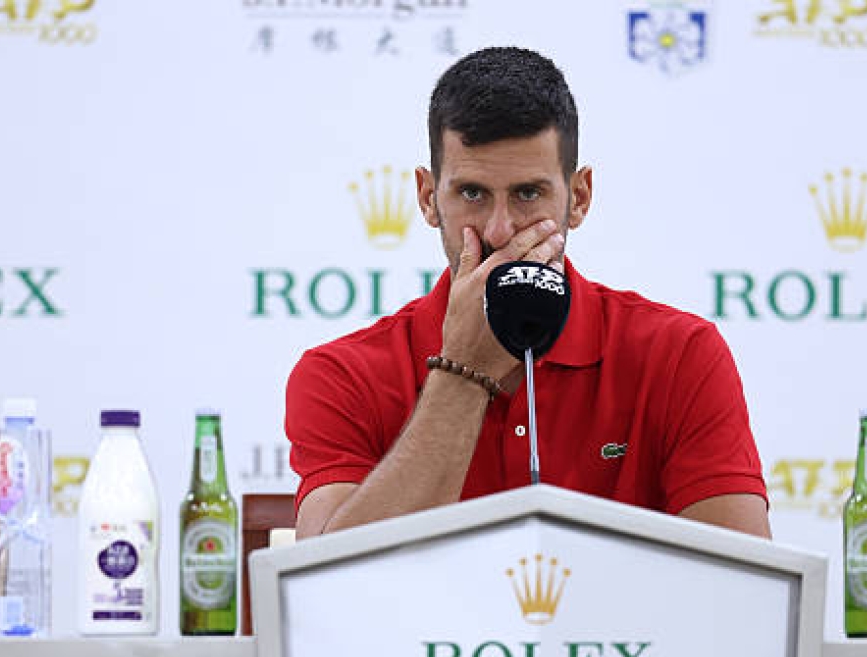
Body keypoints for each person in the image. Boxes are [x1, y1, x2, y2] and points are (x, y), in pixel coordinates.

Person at [286, 46, 770, 540]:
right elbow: (329, 579)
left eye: (528, 193)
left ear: (578, 197)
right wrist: (463, 373)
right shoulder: (341, 374)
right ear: (429, 199)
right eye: (472, 193)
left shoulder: (680, 354)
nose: (500, 230)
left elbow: (742, 576)